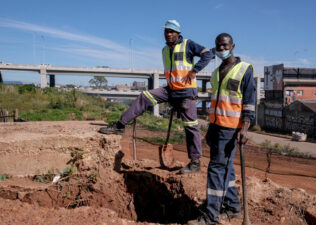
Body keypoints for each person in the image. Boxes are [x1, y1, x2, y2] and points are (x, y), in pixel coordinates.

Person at [100, 20, 213, 174]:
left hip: (186, 92)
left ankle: (195, 162)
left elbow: (208, 54)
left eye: (172, 31)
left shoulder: (188, 44)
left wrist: (195, 70)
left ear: (178, 33)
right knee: (144, 96)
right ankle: (119, 126)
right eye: (167, 31)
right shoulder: (164, 50)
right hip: (171, 90)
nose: (169, 34)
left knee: (191, 126)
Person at [187, 33, 256, 224]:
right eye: (219, 47)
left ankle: (211, 216)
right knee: (227, 168)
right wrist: (210, 128)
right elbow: (217, 102)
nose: (222, 50)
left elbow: (250, 103)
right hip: (216, 127)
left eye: (225, 46)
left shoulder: (244, 70)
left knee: (216, 169)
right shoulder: (216, 73)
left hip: (231, 129)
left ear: (233, 46)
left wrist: (245, 128)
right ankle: (233, 206)